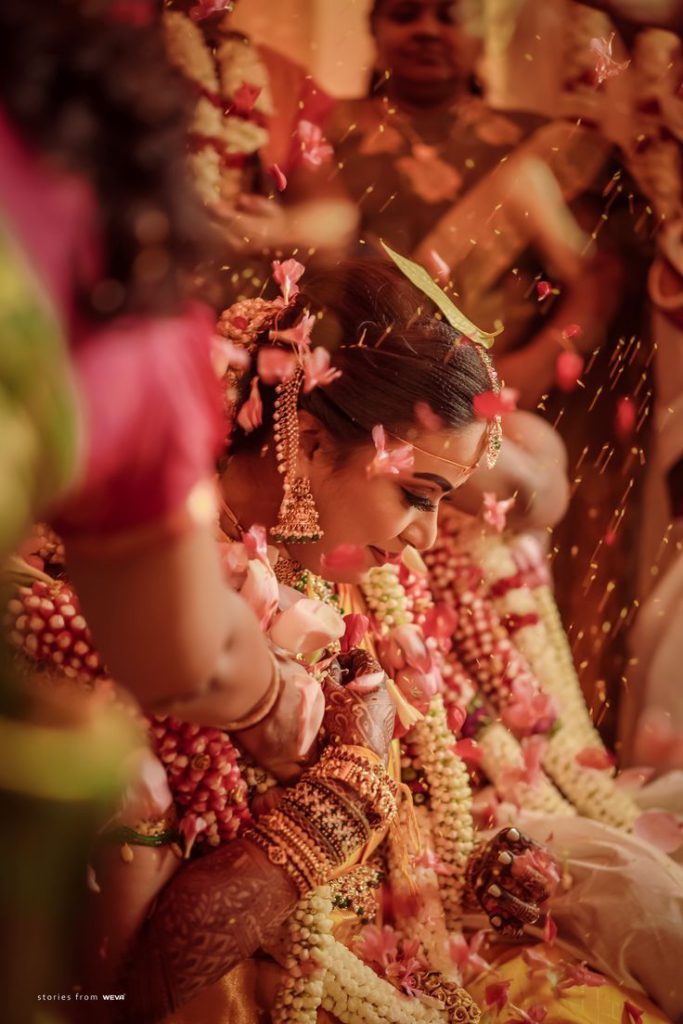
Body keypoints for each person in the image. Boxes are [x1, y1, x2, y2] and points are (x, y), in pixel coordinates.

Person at [19, 259, 676, 1023]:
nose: (427, 535)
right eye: (414, 496)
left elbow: (410, 827)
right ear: (307, 442)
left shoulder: (346, 571)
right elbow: (110, 994)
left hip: (396, 962)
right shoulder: (93, 606)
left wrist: (478, 873)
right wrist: (342, 795)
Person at [326, 0, 652, 734]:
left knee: (485, 499)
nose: (426, 31)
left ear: (483, 37)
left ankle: (476, 744)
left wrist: (502, 390)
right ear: (373, 30)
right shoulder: (326, 131)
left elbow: (597, 282)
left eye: (449, 14)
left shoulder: (536, 149)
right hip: (342, 401)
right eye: (404, 13)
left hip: (476, 413)